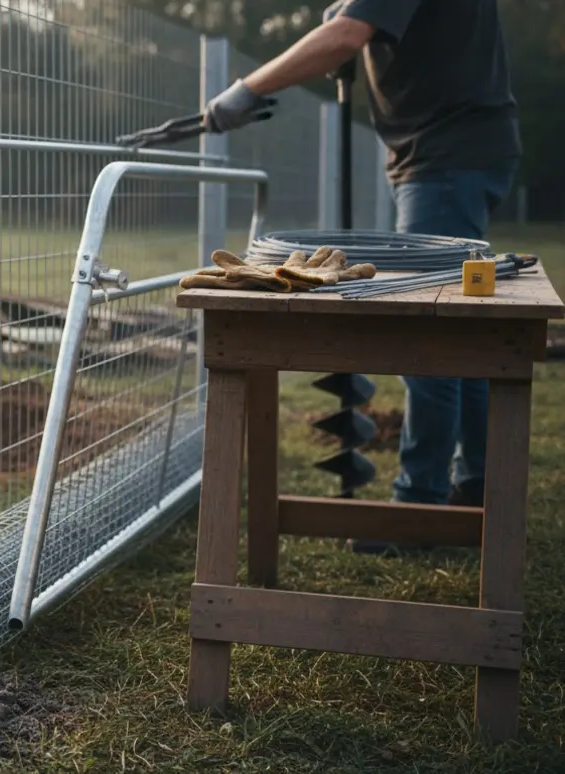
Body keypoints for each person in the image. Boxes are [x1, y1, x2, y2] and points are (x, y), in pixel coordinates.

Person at [202, 0, 521, 551]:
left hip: (445, 156)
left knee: (434, 335)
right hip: (464, 149)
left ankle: (418, 512)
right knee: (462, 332)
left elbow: (346, 35)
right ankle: (472, 490)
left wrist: (247, 87)